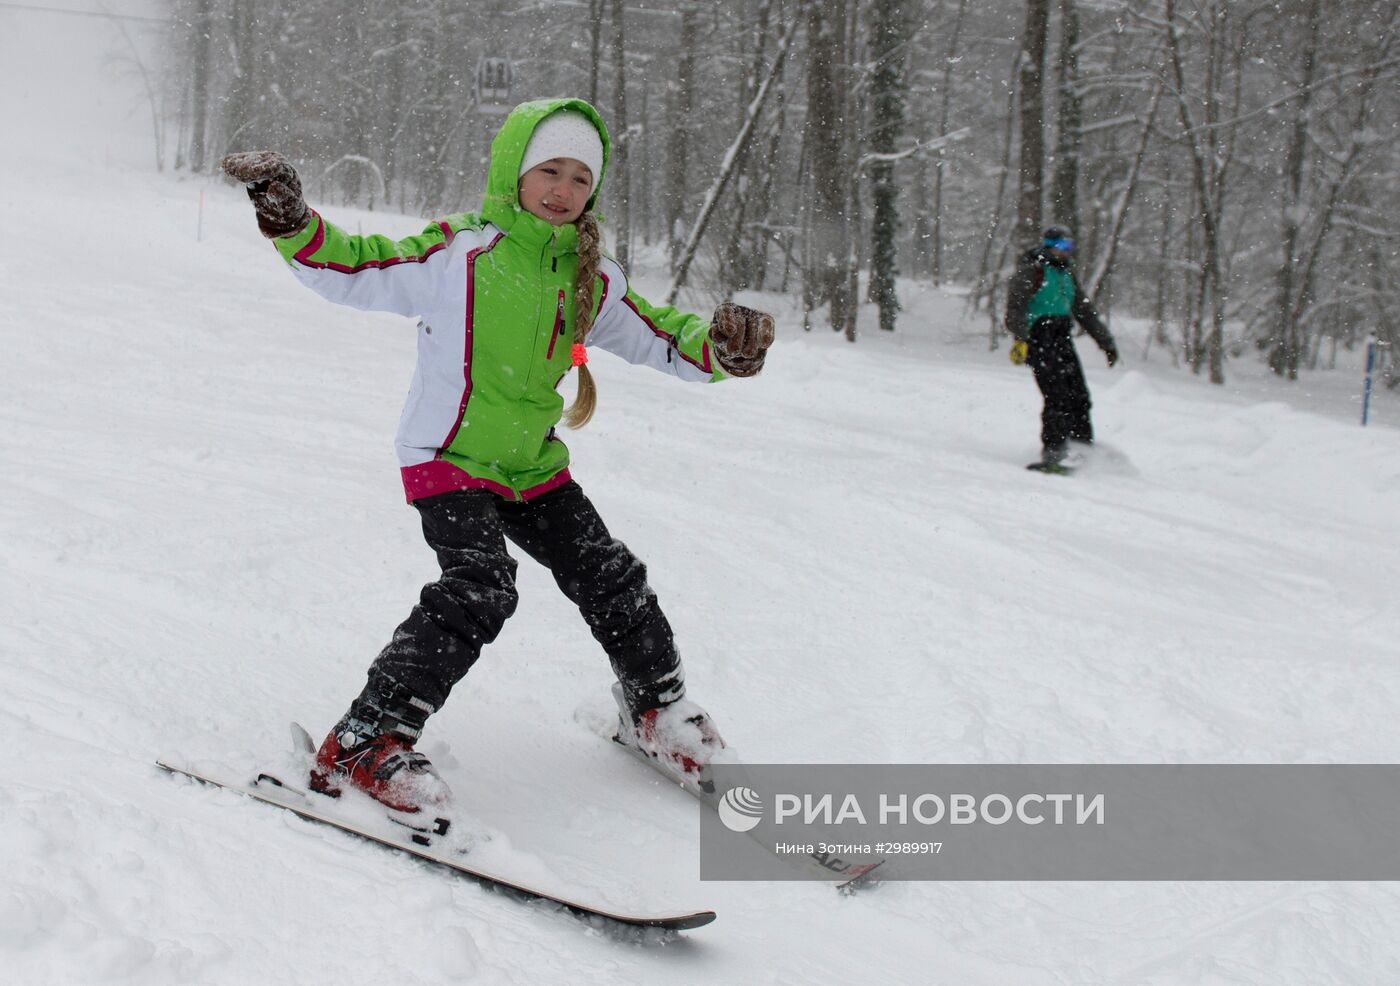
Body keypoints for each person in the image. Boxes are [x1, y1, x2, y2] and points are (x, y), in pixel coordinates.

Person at [220, 98, 774, 818]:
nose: (562, 189)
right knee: (482, 586)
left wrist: (721, 350)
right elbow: (353, 266)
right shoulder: (460, 253)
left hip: (532, 466)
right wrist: (291, 219)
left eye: (580, 177)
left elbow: (660, 335)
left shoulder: (589, 277)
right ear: (514, 170)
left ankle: (658, 711)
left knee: (611, 576)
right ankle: (365, 740)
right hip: (449, 457)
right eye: (549, 169)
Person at [1004, 225, 1118, 466]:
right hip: (1039, 336)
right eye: (1061, 246)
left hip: (1061, 335)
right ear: (1048, 246)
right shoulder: (1032, 271)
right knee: (1057, 395)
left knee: (1079, 394)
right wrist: (1022, 339)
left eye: (1069, 247)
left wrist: (1105, 342)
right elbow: (1014, 308)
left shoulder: (1067, 273)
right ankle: (1054, 452)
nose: (1066, 252)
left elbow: (1084, 310)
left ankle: (1081, 448)